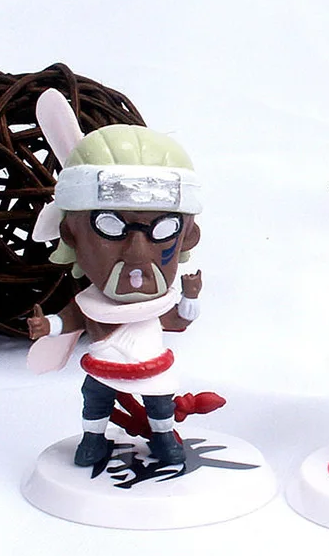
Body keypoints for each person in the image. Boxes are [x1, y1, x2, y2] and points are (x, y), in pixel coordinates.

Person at [27, 90, 202, 468]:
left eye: (163, 229)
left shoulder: (158, 302)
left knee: (160, 402)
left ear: (188, 236)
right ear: (71, 235)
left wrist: (190, 296)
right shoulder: (91, 304)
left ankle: (163, 438)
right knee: (96, 400)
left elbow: (178, 321)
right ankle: (93, 439)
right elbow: (71, 319)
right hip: (103, 366)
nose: (137, 254)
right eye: (110, 227)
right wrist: (48, 325)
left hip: (153, 367)